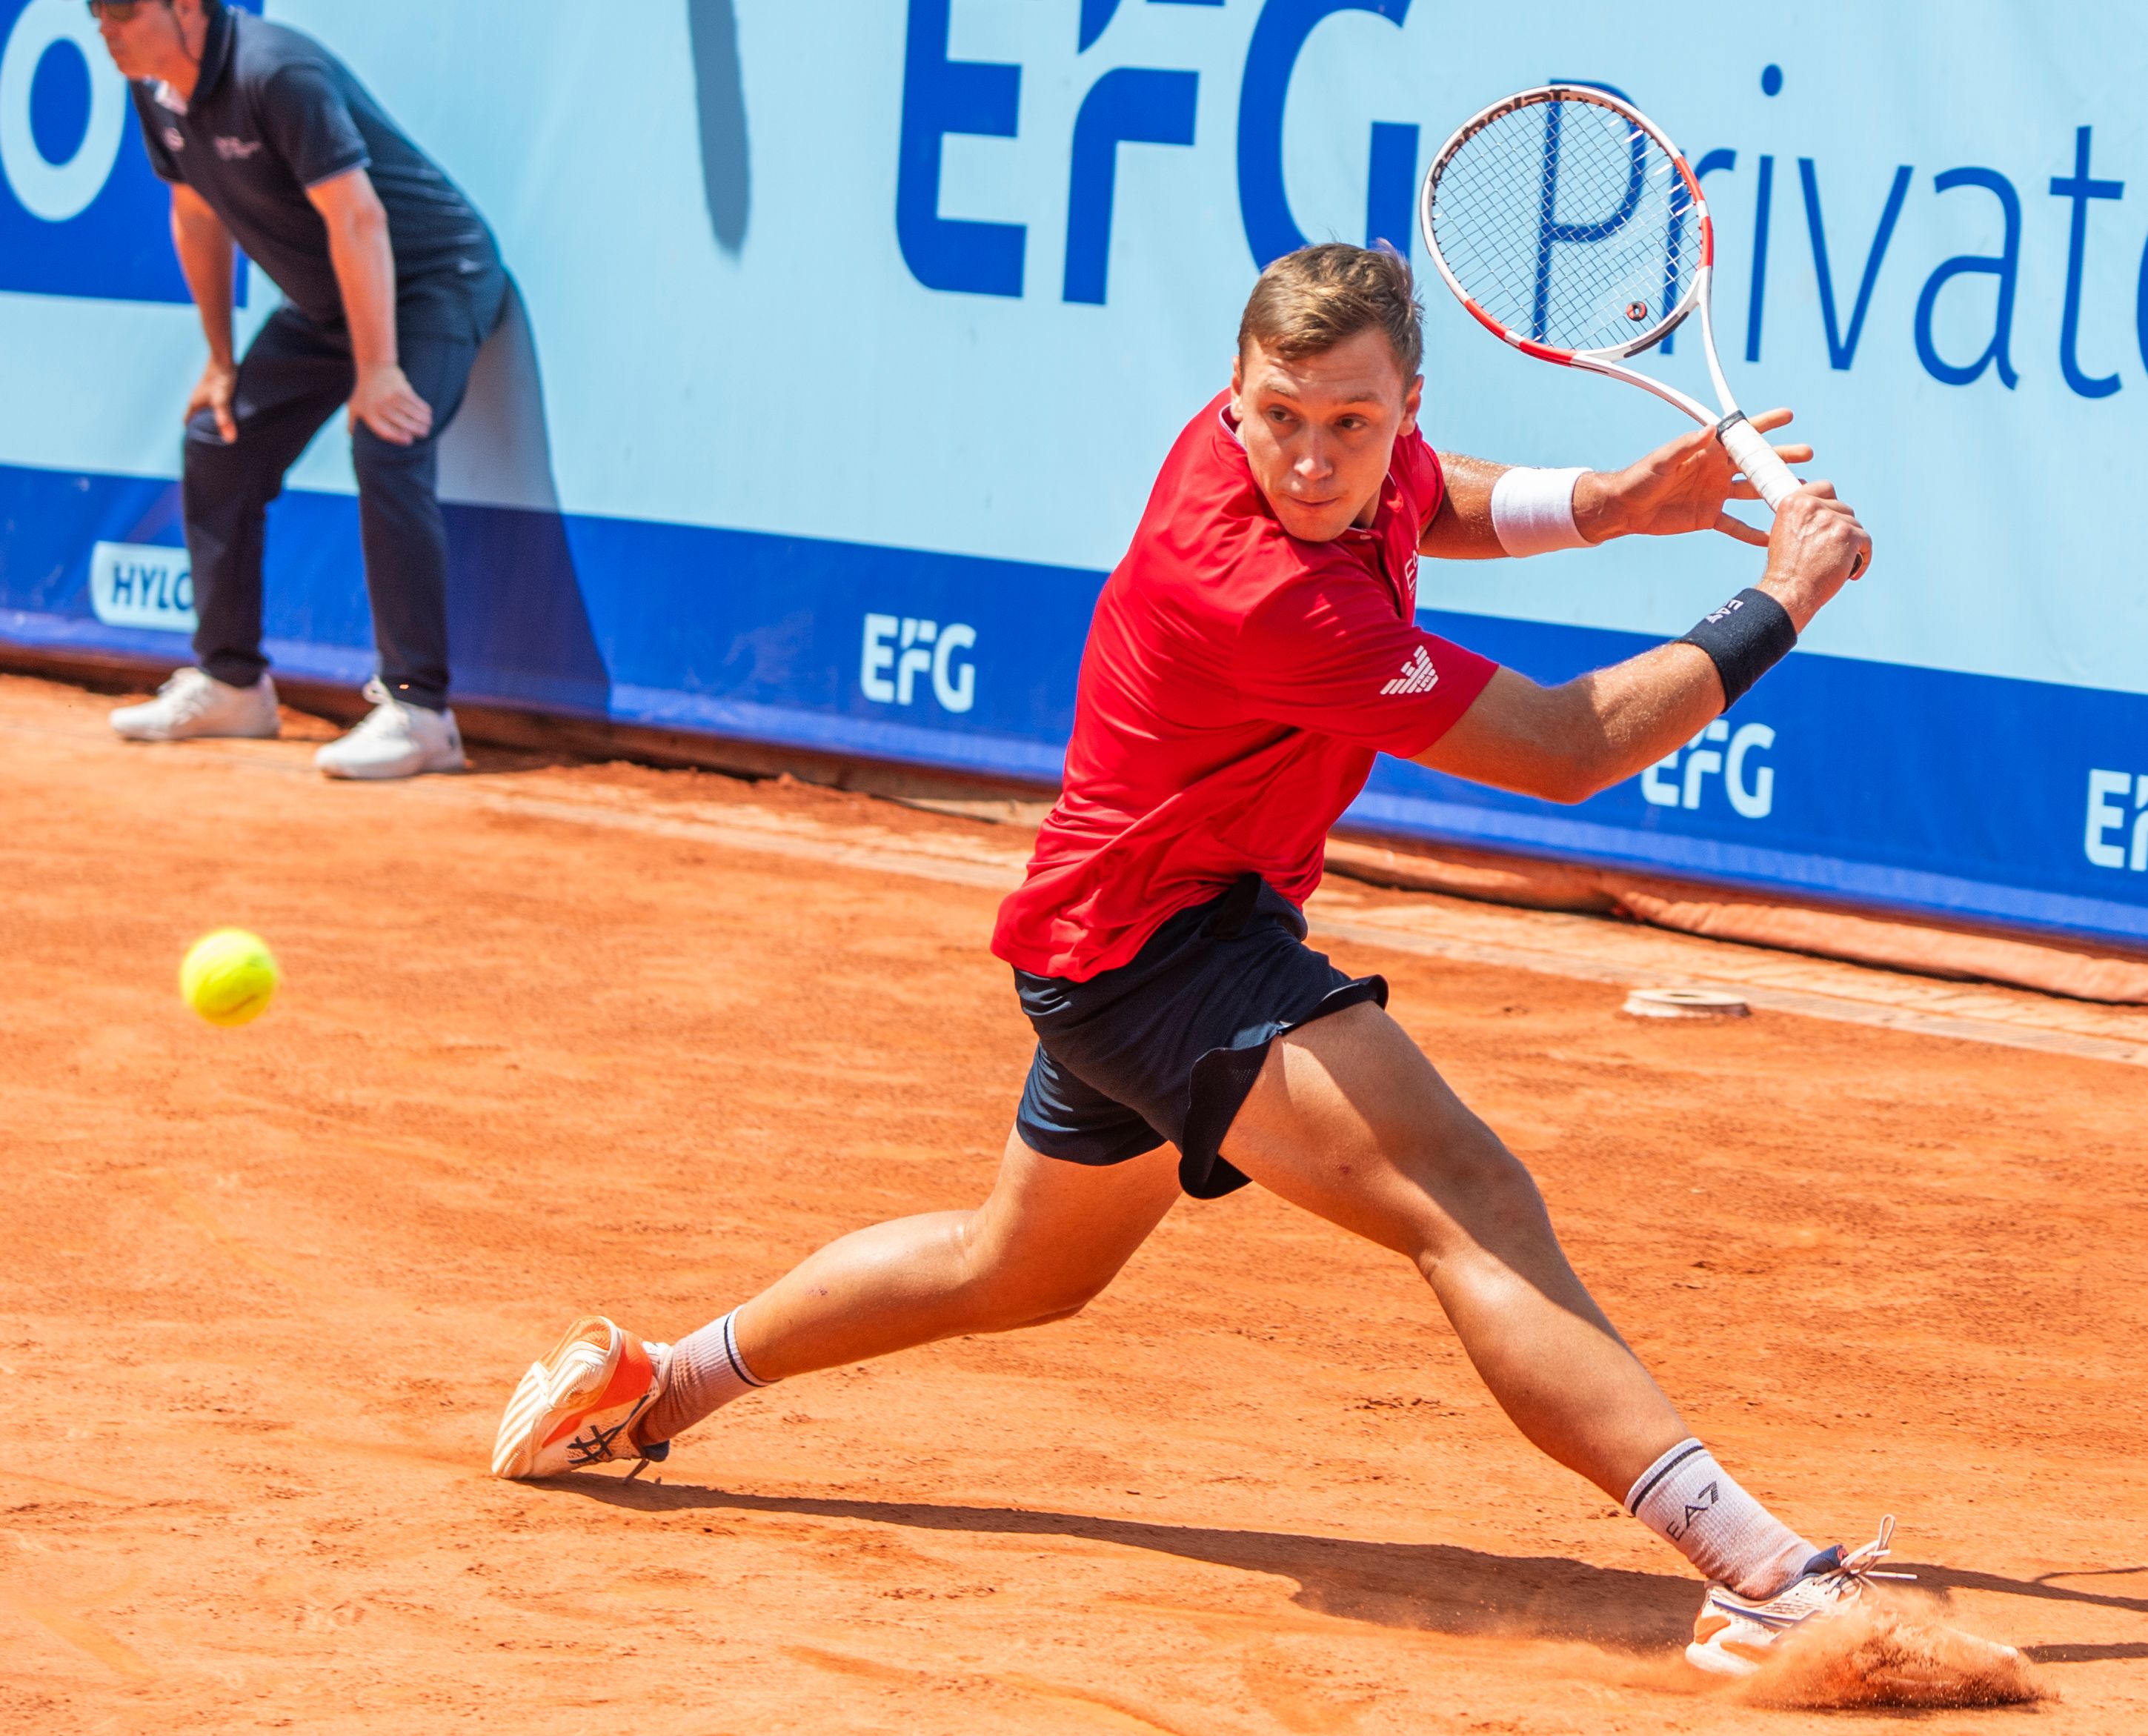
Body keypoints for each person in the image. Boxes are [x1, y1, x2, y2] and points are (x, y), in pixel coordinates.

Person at [492, 245, 1894, 1678]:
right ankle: (1762, 1575)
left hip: (1119, 932)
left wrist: (1605, 504)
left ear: (1404, 404)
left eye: (1347, 421)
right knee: (1466, 1198)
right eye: (1276, 418)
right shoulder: (1265, 593)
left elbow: (1424, 494)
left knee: (1012, 1266)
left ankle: (657, 1382)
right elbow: (1568, 746)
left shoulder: (1336, 458)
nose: (1305, 456)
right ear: (1232, 404)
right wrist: (1777, 600)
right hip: (1163, 952)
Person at [93, 0, 508, 779]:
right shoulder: (153, 89)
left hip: (431, 284)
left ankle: (420, 712)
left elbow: (358, 218)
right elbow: (196, 217)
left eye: (121, 10)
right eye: (96, 13)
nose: (105, 28)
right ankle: (233, 683)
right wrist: (220, 358)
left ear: (187, 7)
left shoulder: (275, 71)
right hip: (326, 305)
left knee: (387, 437)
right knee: (218, 439)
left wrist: (379, 368)